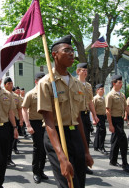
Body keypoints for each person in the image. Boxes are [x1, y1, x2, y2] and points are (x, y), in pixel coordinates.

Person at [38, 35, 94, 188]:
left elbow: (78, 118)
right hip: (56, 135)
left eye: (72, 51)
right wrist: (61, 157)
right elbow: (48, 121)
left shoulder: (77, 84)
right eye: (66, 50)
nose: (72, 54)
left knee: (79, 183)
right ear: (55, 55)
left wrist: (86, 151)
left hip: (75, 134)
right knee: (68, 183)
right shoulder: (47, 83)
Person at [106, 75, 129, 173]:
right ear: (114, 83)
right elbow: (108, 111)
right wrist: (110, 125)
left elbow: (127, 108)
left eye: (121, 83)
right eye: (119, 83)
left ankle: (113, 160)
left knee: (116, 140)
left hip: (120, 120)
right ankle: (125, 163)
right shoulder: (110, 95)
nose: (121, 84)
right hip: (114, 120)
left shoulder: (122, 95)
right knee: (123, 141)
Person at [22, 72, 48, 184]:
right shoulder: (30, 94)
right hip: (35, 123)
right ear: (36, 81)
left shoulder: (47, 94)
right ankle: (36, 172)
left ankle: (41, 170)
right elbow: (24, 109)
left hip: (46, 122)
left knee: (45, 148)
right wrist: (27, 125)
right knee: (38, 148)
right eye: (41, 80)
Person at [76, 63, 99, 175]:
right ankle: (77, 165)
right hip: (77, 115)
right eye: (83, 70)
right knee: (77, 141)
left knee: (86, 140)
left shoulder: (88, 86)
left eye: (86, 70)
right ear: (78, 72)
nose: (85, 72)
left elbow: (90, 101)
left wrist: (94, 115)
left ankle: (84, 165)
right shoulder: (74, 83)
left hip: (85, 115)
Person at [4, 77, 22, 166]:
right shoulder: (2, 95)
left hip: (14, 120)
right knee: (4, 141)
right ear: (5, 85)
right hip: (4, 120)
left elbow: (19, 109)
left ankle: (8, 158)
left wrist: (21, 120)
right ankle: (3, 158)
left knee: (11, 140)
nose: (11, 85)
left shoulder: (16, 97)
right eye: (9, 84)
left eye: (11, 84)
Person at [93, 84, 107, 155]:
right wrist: (93, 119)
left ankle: (96, 146)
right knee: (102, 132)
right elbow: (93, 110)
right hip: (98, 116)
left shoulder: (104, 98)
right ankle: (101, 147)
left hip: (103, 116)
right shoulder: (95, 98)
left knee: (99, 131)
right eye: (101, 89)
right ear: (97, 90)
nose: (103, 90)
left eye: (103, 89)